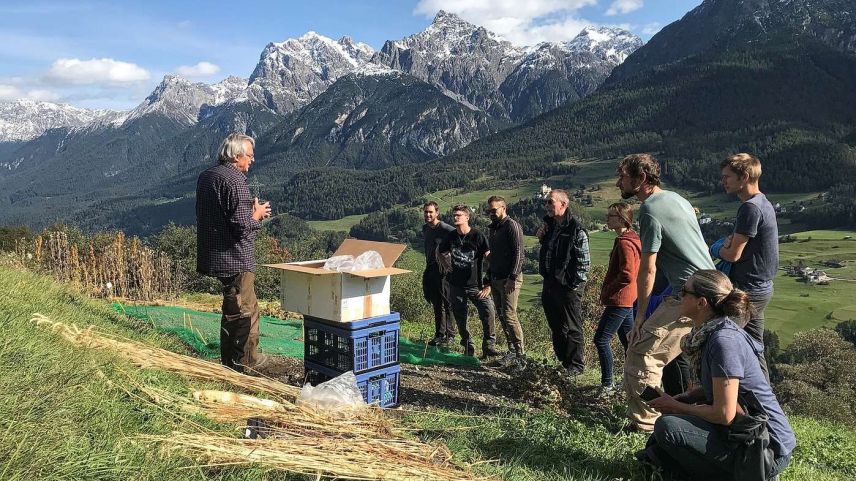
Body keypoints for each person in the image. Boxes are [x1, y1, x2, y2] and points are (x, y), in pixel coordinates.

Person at [642, 270, 796, 481]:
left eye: (684, 291)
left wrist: (676, 407)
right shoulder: (710, 333)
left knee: (667, 428)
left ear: (701, 303)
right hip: (745, 431)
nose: (679, 295)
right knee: (664, 436)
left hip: (765, 447)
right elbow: (718, 387)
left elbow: (724, 414)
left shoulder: (723, 341)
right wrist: (685, 399)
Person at [616, 153, 715, 431]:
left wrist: (640, 318)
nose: (618, 182)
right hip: (712, 288)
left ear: (641, 179)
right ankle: (677, 414)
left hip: (691, 294)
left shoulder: (649, 210)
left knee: (640, 356)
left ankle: (647, 424)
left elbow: (648, 269)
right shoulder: (678, 199)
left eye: (623, 176)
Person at [196, 133, 271, 373]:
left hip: (215, 255)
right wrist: (257, 215)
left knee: (232, 308)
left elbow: (220, 213)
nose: (252, 160)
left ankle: (230, 360)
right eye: (249, 155)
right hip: (236, 258)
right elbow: (241, 225)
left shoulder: (207, 176)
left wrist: (244, 209)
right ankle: (243, 363)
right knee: (244, 312)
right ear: (237, 155)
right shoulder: (236, 180)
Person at [718, 153, 778, 379]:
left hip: (747, 288)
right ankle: (765, 402)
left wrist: (715, 250)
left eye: (727, 177)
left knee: (722, 341)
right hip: (761, 287)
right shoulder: (763, 202)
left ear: (743, 177)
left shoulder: (749, 208)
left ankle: (723, 398)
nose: (723, 181)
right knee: (754, 346)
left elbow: (732, 254)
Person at [537, 189, 590, 375]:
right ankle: (564, 362)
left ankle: (576, 366)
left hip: (567, 287)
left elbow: (584, 264)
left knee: (573, 327)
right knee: (556, 326)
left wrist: (572, 285)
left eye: (551, 202)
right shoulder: (549, 227)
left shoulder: (576, 230)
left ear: (563, 204)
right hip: (550, 282)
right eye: (546, 203)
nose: (547, 207)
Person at [438, 204, 499, 357]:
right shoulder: (451, 236)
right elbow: (440, 252)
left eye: (459, 215)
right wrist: (447, 266)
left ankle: (489, 345)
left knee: (488, 310)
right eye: (454, 215)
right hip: (456, 285)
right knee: (460, 317)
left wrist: (489, 284)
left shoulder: (477, 236)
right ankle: (467, 345)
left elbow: (490, 259)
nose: (455, 217)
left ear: (467, 217)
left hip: (476, 285)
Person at [595, 202, 641, 393]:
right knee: (628, 342)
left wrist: (609, 290)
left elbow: (627, 274)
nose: (607, 219)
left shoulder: (624, 243)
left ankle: (607, 384)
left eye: (611, 216)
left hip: (620, 299)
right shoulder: (632, 239)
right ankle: (632, 382)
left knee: (601, 339)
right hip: (629, 298)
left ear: (622, 219)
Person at [486, 195, 526, 364]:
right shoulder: (494, 228)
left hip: (509, 279)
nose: (491, 213)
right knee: (502, 315)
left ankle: (521, 354)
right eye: (490, 210)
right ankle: (511, 350)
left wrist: (512, 277)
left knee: (509, 315)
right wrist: (489, 275)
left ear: (504, 208)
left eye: (494, 210)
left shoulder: (512, 226)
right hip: (496, 277)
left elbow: (519, 253)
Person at [422, 201, 456, 346]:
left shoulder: (446, 229)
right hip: (431, 269)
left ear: (437, 213)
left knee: (447, 302)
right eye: (425, 212)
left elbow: (459, 240)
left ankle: (450, 335)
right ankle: (439, 334)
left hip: (444, 271)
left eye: (431, 212)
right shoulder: (425, 229)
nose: (428, 215)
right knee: (436, 303)